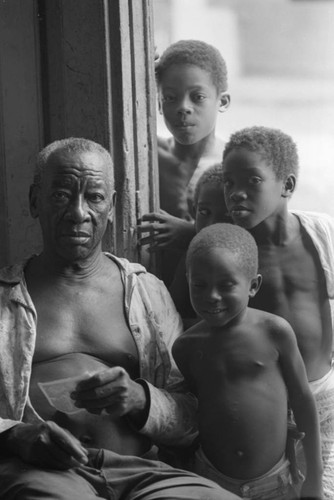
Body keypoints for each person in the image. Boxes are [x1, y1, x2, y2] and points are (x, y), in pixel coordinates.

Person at [0, 138, 239, 500]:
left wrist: (142, 399)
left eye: (94, 197)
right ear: (35, 201)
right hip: (44, 472)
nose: (78, 212)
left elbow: (192, 418)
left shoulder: (146, 292)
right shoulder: (5, 298)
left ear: (110, 207)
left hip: (142, 470)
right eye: (62, 194)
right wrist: (14, 434)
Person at [222, 125, 334, 499]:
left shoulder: (322, 235)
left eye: (252, 181)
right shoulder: (232, 254)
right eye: (228, 182)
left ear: (286, 185)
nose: (236, 192)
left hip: (327, 398)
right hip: (270, 410)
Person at [173, 223, 323, 500]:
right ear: (188, 279)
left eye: (227, 285)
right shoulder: (185, 347)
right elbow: (196, 410)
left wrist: (314, 477)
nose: (212, 296)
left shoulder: (274, 332)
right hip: (210, 481)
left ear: (253, 285)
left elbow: (303, 401)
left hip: (275, 483)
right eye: (200, 284)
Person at [137, 39, 230, 286]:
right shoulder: (146, 154)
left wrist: (190, 234)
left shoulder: (233, 165)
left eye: (197, 97)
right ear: (158, 103)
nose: (183, 108)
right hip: (151, 294)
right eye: (170, 98)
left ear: (222, 101)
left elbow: (258, 241)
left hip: (210, 301)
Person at [169, 163, 230, 324]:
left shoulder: (250, 257)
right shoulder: (192, 256)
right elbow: (171, 314)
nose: (212, 224)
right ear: (194, 209)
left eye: (227, 215)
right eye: (204, 212)